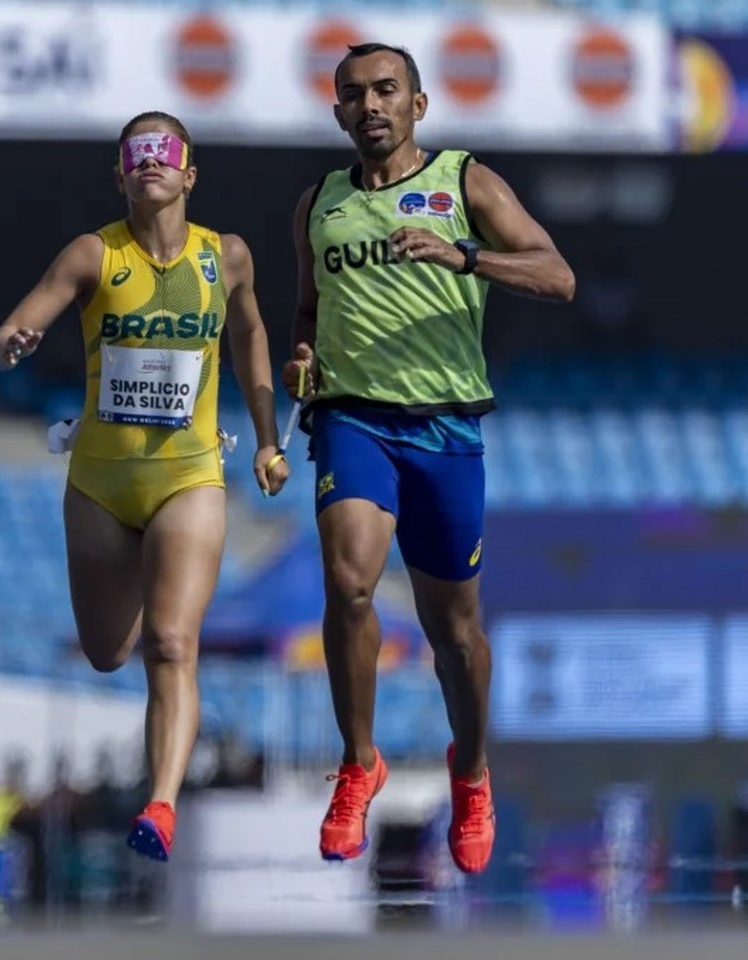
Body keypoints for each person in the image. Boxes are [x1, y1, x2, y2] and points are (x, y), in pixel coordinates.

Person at [285, 43, 576, 873]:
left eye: (386, 90)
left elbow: (559, 277)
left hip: (446, 428)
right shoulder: (318, 205)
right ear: (337, 112)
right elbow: (306, 308)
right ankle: (358, 763)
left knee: (454, 636)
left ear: (419, 103)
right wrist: (303, 357)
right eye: (353, 94)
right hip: (353, 421)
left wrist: (463, 255)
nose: (369, 105)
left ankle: (473, 771)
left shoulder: (465, 181)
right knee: (349, 583)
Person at [0, 111, 288, 862]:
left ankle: (161, 803)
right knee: (106, 651)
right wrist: (10, 342)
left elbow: (250, 335)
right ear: (121, 176)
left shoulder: (230, 258)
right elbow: (14, 328)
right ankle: (155, 765)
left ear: (189, 175)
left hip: (190, 476)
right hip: (99, 483)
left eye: (165, 153)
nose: (151, 163)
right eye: (137, 155)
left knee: (171, 641)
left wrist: (267, 435)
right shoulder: (94, 254)